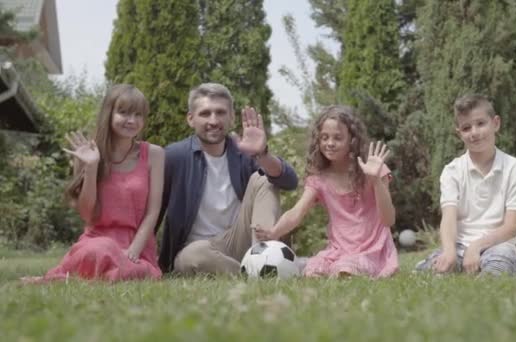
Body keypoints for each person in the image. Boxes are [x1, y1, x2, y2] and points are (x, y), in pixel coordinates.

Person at [23, 84, 164, 283]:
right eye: (123, 113)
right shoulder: (87, 153)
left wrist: (133, 251)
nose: (132, 120)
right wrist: (91, 167)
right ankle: (101, 272)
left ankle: (94, 274)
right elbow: (87, 215)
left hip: (136, 246)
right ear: (109, 113)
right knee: (101, 250)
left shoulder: (155, 154)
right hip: (96, 241)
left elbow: (153, 211)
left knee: (134, 270)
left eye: (138, 114)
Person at [157, 83, 298, 275]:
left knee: (265, 178)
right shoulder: (174, 156)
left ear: (231, 117)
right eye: (205, 113)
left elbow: (290, 182)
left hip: (238, 241)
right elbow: (154, 209)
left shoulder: (243, 153)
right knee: (195, 255)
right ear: (190, 119)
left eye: (220, 113)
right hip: (197, 251)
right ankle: (256, 274)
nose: (214, 120)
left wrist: (262, 156)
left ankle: (263, 259)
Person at [254, 105, 399, 278]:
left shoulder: (373, 170)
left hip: (371, 249)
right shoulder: (319, 179)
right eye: (324, 137)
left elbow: (388, 219)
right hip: (338, 251)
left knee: (345, 270)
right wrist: (274, 232)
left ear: (352, 140)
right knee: (313, 270)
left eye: (338, 138)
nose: (330, 143)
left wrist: (375, 181)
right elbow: (296, 213)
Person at [415, 94, 516, 276]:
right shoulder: (452, 171)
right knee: (428, 271)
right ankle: (454, 266)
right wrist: (450, 251)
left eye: (481, 124)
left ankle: (489, 273)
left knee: (499, 267)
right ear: (459, 133)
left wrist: (476, 247)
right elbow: (449, 218)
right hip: (459, 247)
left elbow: (511, 227)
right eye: (466, 128)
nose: (474, 132)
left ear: (496, 123)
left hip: (498, 246)